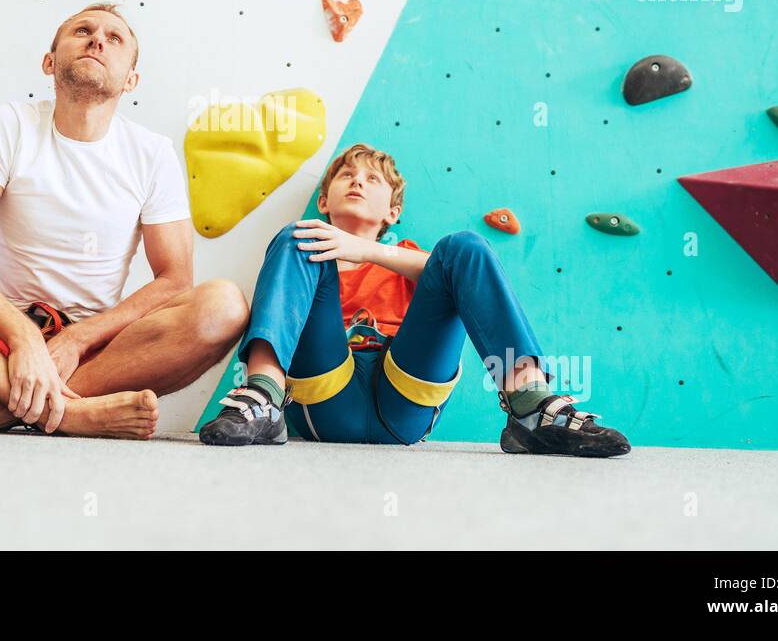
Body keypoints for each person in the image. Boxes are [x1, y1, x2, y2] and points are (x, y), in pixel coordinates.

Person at [0, 3, 249, 439]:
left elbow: (174, 280)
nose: (98, 39)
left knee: (223, 306)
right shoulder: (12, 124)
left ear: (131, 80)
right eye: (82, 30)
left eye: (115, 38)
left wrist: (77, 340)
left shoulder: (152, 153)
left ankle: (3, 408)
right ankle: (69, 415)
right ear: (49, 61)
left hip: (95, 352)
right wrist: (23, 337)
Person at [199, 143, 631, 456]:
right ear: (324, 199)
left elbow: (451, 268)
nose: (357, 181)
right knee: (298, 236)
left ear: (392, 211)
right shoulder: (305, 261)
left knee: (464, 246)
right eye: (347, 175)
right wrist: (336, 249)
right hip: (324, 395)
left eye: (372, 179)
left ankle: (531, 410)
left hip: (405, 394)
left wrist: (368, 251)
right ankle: (262, 398)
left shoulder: (408, 258)